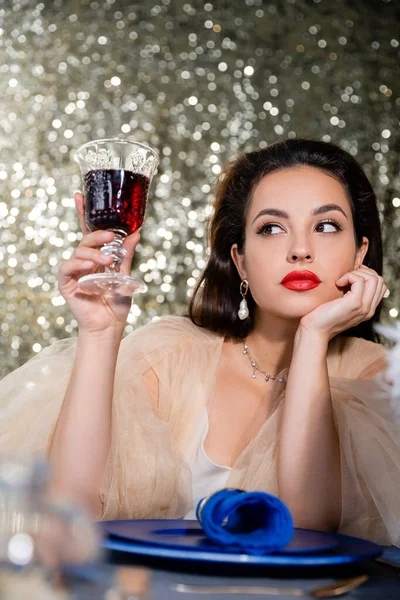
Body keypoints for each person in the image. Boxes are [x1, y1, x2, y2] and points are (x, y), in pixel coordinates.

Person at [0, 138, 399, 547]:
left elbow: (307, 530)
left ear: (359, 254)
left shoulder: (375, 380)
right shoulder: (173, 355)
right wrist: (100, 333)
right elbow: (70, 509)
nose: (300, 250)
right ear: (241, 260)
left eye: (326, 226)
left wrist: (313, 336)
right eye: (272, 228)